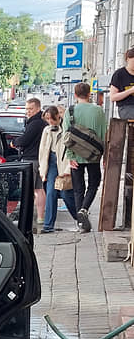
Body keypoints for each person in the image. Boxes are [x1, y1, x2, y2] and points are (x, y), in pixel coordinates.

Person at [62, 82, 107, 233]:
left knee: (78, 189)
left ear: (75, 95)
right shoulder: (98, 111)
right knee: (94, 183)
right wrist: (103, 154)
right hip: (93, 155)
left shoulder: (70, 111)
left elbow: (66, 136)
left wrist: (70, 156)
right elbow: (103, 134)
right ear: (89, 94)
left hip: (75, 155)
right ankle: (84, 209)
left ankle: (81, 223)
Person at [38, 105, 77, 233]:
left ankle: (80, 219)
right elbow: (42, 150)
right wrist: (42, 168)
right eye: (47, 119)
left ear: (58, 117)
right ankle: (48, 225)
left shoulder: (66, 129)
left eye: (52, 119)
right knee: (50, 193)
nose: (50, 122)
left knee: (66, 194)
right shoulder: (46, 130)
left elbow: (71, 150)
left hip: (63, 162)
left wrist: (67, 169)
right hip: (51, 162)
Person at [11, 98, 47, 225]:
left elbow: (25, 140)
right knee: (39, 189)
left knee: (27, 190)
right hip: (40, 160)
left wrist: (14, 142)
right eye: (26, 109)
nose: (28, 112)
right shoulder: (43, 123)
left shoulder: (35, 123)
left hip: (30, 160)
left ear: (38, 108)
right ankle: (41, 217)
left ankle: (26, 217)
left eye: (30, 109)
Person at [109, 47, 134, 120]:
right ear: (128, 59)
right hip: (126, 106)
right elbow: (113, 97)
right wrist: (130, 91)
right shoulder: (119, 74)